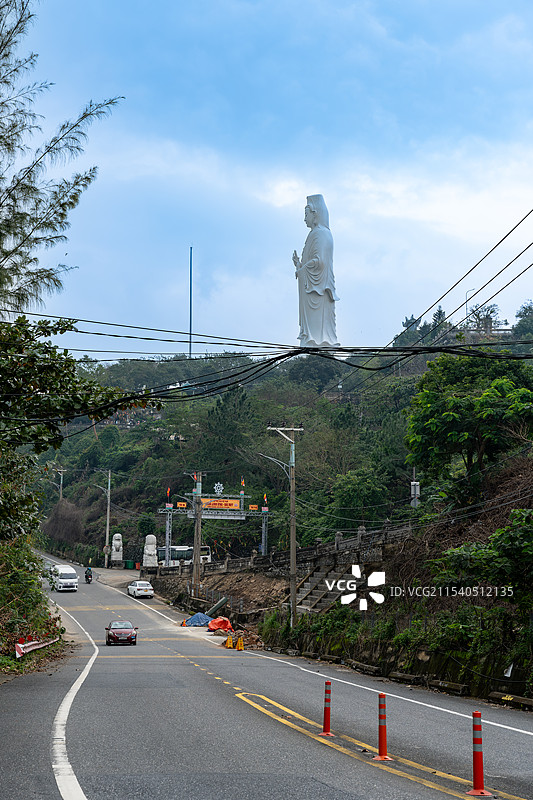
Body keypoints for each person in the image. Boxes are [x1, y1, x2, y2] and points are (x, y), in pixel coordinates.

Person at [292, 194, 339, 348]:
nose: (304, 219)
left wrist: (303, 269)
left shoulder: (321, 233)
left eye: (306, 215)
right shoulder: (314, 234)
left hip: (318, 290)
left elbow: (320, 263)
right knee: (312, 334)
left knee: (319, 335)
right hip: (311, 291)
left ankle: (318, 344)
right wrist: (299, 266)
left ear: (315, 214)